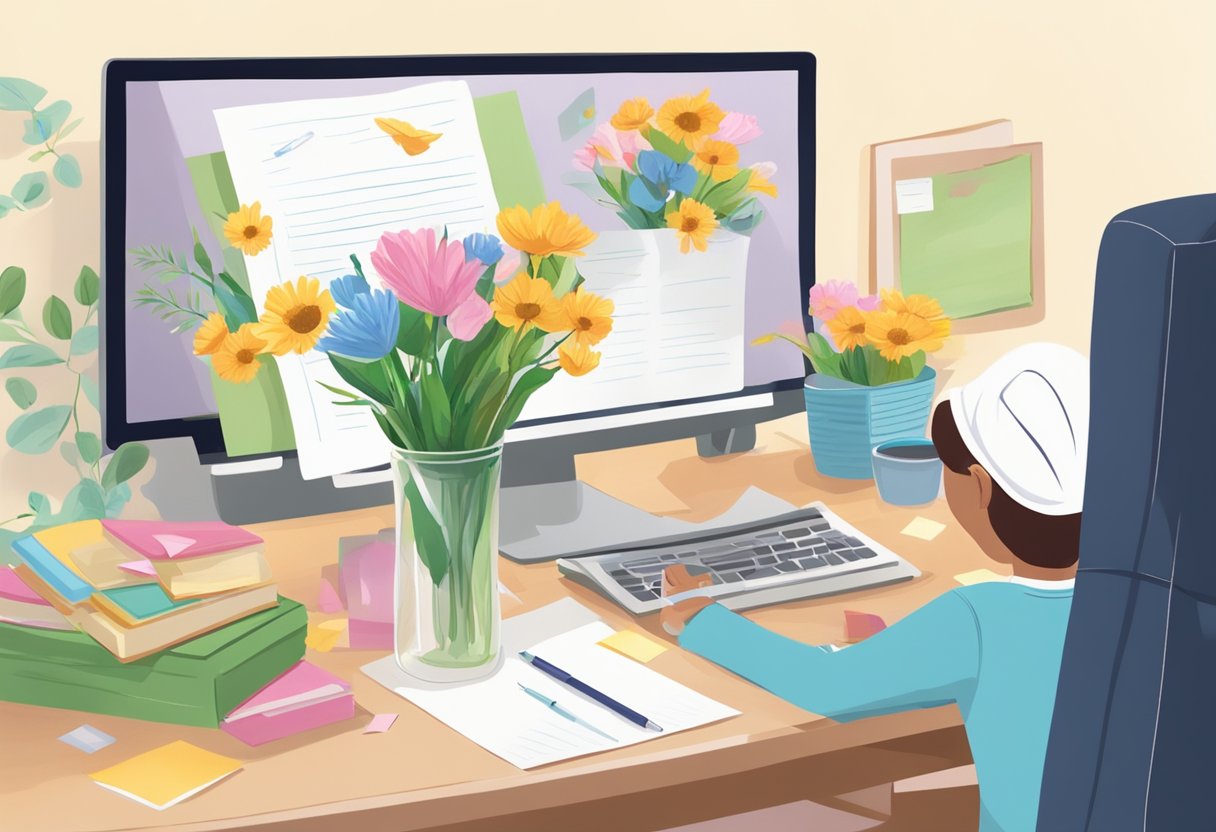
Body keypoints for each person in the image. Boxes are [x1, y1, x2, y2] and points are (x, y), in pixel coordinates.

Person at [661, 343, 1089, 832]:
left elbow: (826, 686)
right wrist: (904, 651)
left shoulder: (980, 619)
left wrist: (700, 617)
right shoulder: (1161, 610)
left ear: (979, 486)